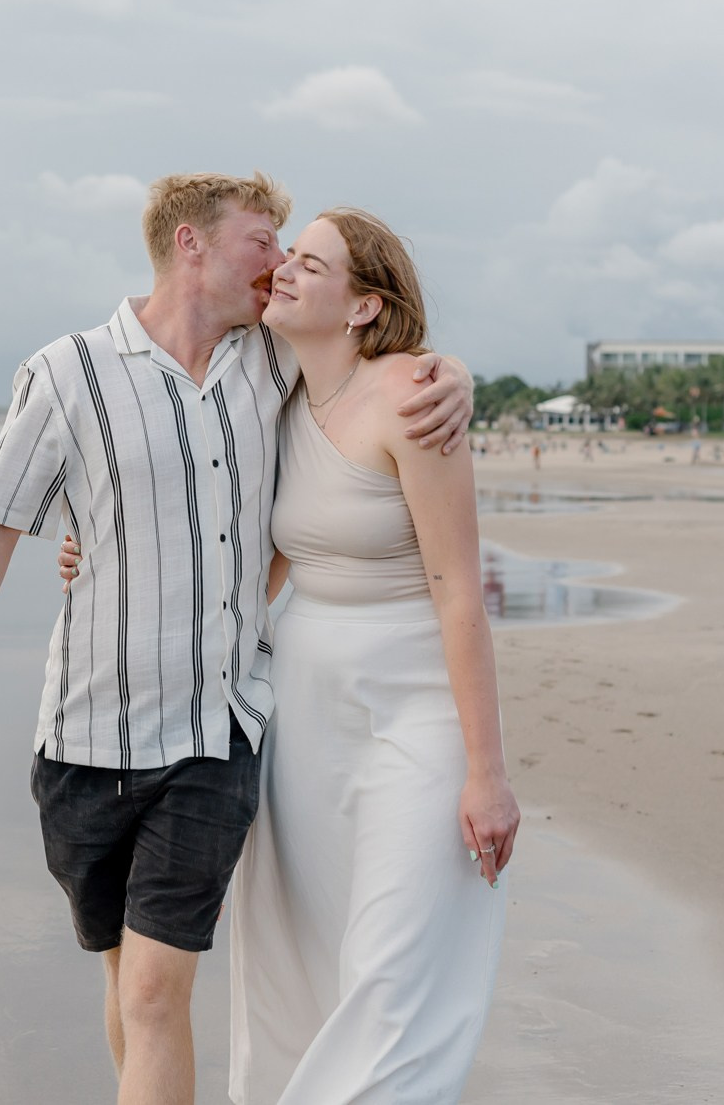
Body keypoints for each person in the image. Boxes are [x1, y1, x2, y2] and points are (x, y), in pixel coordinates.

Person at [0, 173, 474, 1105]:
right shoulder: (66, 373)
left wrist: (451, 373)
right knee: (125, 984)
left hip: (218, 733)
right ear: (191, 244)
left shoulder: (273, 359)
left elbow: (376, 360)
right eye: (264, 240)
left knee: (157, 989)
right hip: (86, 735)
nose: (281, 262)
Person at [227, 208, 515, 1102]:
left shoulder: (414, 397)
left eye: (312, 263)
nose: (285, 270)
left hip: (415, 711)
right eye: (288, 256)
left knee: (396, 974)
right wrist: (93, 548)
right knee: (296, 958)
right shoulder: (272, 393)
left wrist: (487, 772)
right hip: (304, 716)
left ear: (362, 307)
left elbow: (458, 590)